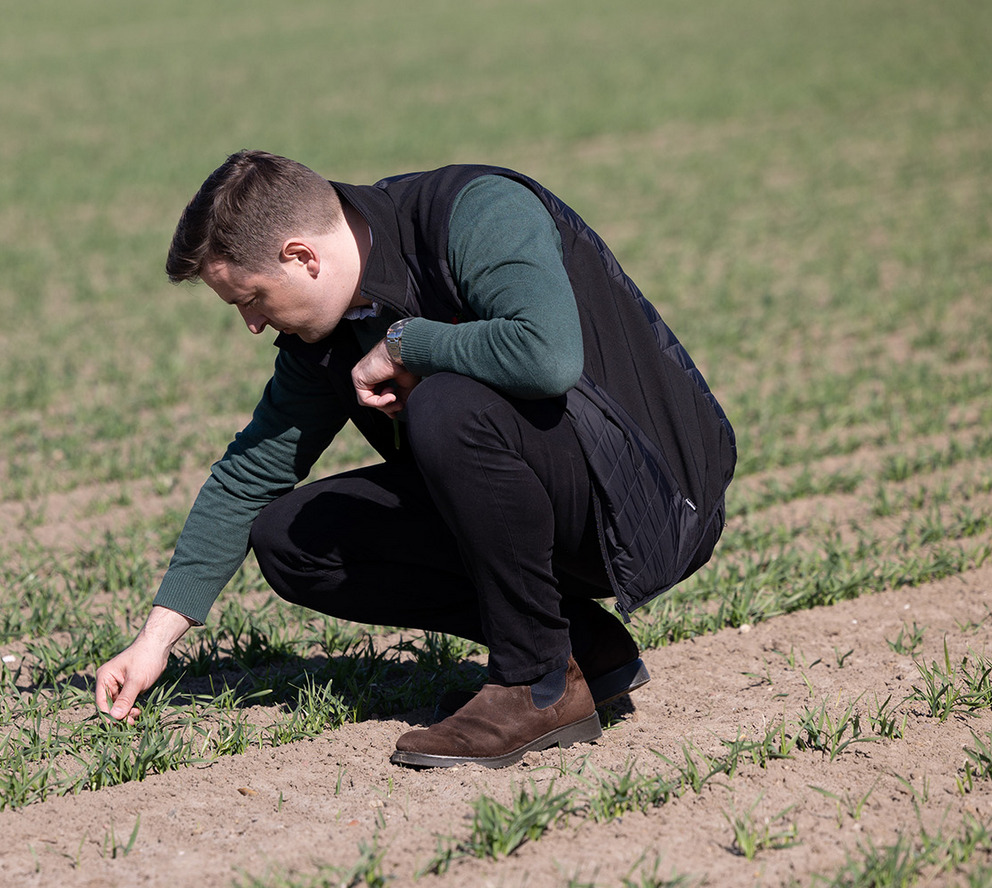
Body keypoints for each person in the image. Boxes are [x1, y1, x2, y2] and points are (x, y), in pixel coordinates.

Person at [93, 150, 735, 768]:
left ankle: (535, 684)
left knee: (447, 407)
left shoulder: (477, 211)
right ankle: (578, 647)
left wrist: (408, 344)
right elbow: (249, 475)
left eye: (251, 299)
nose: (252, 324)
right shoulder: (328, 332)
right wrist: (153, 644)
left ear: (301, 257)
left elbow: (549, 355)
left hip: (651, 498)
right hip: (544, 503)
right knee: (291, 539)